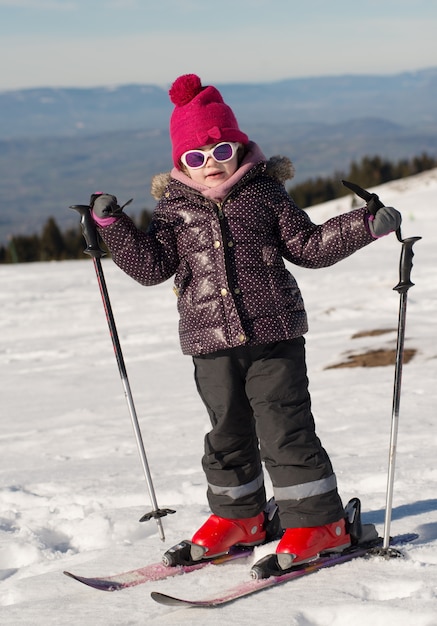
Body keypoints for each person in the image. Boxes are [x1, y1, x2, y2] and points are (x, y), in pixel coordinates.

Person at [89, 73, 401, 572]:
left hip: (273, 336)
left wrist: (365, 225)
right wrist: (114, 228)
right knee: (226, 432)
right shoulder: (173, 209)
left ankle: (320, 522)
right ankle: (242, 517)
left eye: (219, 151)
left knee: (284, 428)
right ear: (180, 164)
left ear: (240, 147)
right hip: (208, 342)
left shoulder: (265, 195)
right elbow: (150, 267)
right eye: (195, 157)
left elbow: (309, 247)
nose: (209, 165)